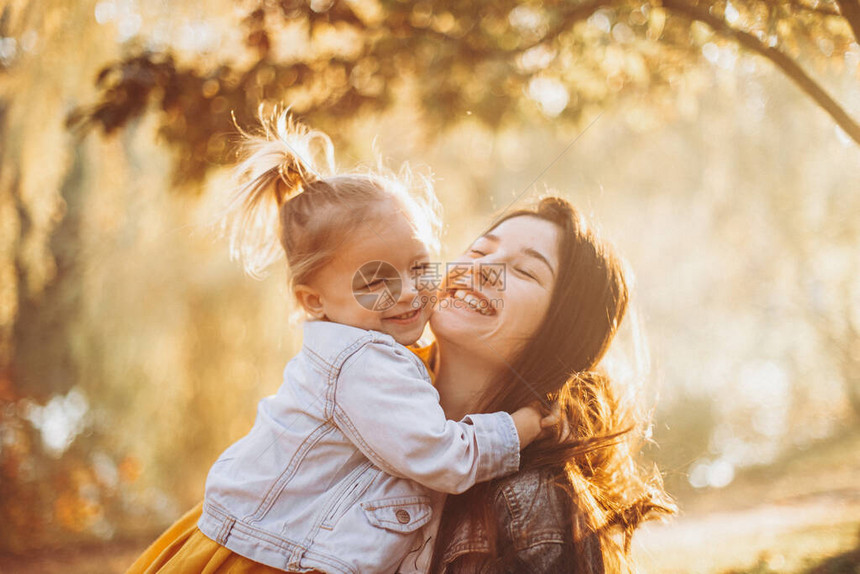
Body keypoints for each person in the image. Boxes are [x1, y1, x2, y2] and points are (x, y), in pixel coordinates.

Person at [126, 110, 553, 574]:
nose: (408, 291)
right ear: (314, 300)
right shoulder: (365, 363)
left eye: (417, 266)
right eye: (374, 281)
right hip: (265, 559)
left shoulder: (367, 351)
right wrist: (526, 425)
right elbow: (443, 458)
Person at [420, 197, 676, 573]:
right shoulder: (356, 409)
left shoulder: (535, 502)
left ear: (561, 331)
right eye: (478, 250)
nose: (485, 268)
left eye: (524, 271)